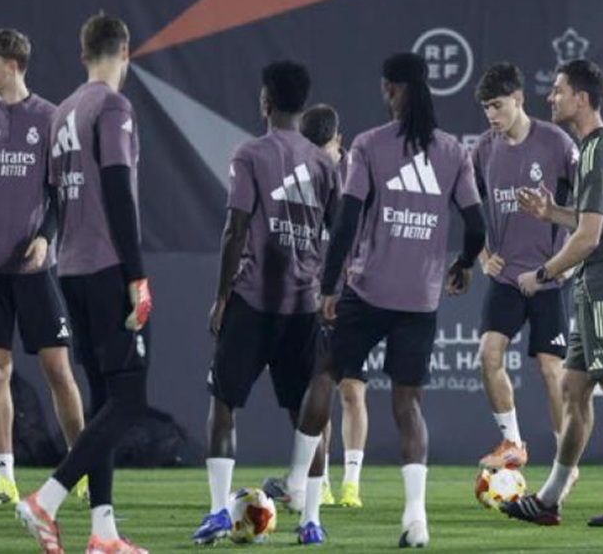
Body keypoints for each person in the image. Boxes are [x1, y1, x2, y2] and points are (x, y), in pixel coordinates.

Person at [278, 52, 486, 547]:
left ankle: (307, 507)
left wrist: (329, 286)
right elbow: (477, 225)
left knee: (325, 376)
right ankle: (416, 518)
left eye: (385, 88)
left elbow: (347, 220)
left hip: (368, 291)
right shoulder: (454, 151)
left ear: (392, 90)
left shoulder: (369, 146)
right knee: (408, 406)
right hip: (420, 297)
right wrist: (464, 265)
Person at [16, 12, 152, 554]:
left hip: (69, 267)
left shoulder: (63, 110)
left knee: (103, 403)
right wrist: (137, 275)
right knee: (131, 399)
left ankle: (104, 533)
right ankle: (46, 499)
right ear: (127, 52)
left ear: (82, 54)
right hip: (106, 268)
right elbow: (118, 187)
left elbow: (54, 195)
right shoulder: (113, 105)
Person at [501, 59, 603, 528]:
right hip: (596, 287)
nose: (551, 98)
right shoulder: (599, 148)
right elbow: (592, 222)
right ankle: (549, 498)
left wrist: (542, 275)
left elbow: (590, 238)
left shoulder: (597, 152)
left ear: (581, 99)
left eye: (558, 90)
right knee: (573, 388)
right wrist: (553, 213)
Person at [191, 62, 340, 545]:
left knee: (223, 403)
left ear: (265, 102)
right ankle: (311, 520)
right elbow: (340, 235)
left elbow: (236, 227)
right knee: (305, 419)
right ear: (302, 105)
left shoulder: (250, 153)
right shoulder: (324, 164)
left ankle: (217, 512)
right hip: (303, 306)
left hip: (253, 302)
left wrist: (220, 297)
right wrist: (328, 289)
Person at [0, 28, 86, 506]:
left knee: (58, 370)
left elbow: (60, 191)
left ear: (12, 65)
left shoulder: (50, 119)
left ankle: (81, 472)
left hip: (33, 266)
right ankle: (4, 481)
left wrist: (46, 237)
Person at [470, 63, 576, 471]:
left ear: (518, 100)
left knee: (551, 371)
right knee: (487, 355)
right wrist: (482, 257)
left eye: (496, 106)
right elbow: (468, 207)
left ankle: (565, 460)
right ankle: (512, 443)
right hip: (507, 277)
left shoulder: (557, 143)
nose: (491, 116)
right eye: (485, 109)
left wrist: (567, 258)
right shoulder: (483, 148)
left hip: (549, 278)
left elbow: (588, 205)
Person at [300, 104, 370, 510]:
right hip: (310, 296)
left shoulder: (355, 175)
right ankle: (320, 480)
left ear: (337, 144)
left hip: (350, 296)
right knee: (319, 391)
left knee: (352, 391)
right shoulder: (301, 177)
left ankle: (352, 484)